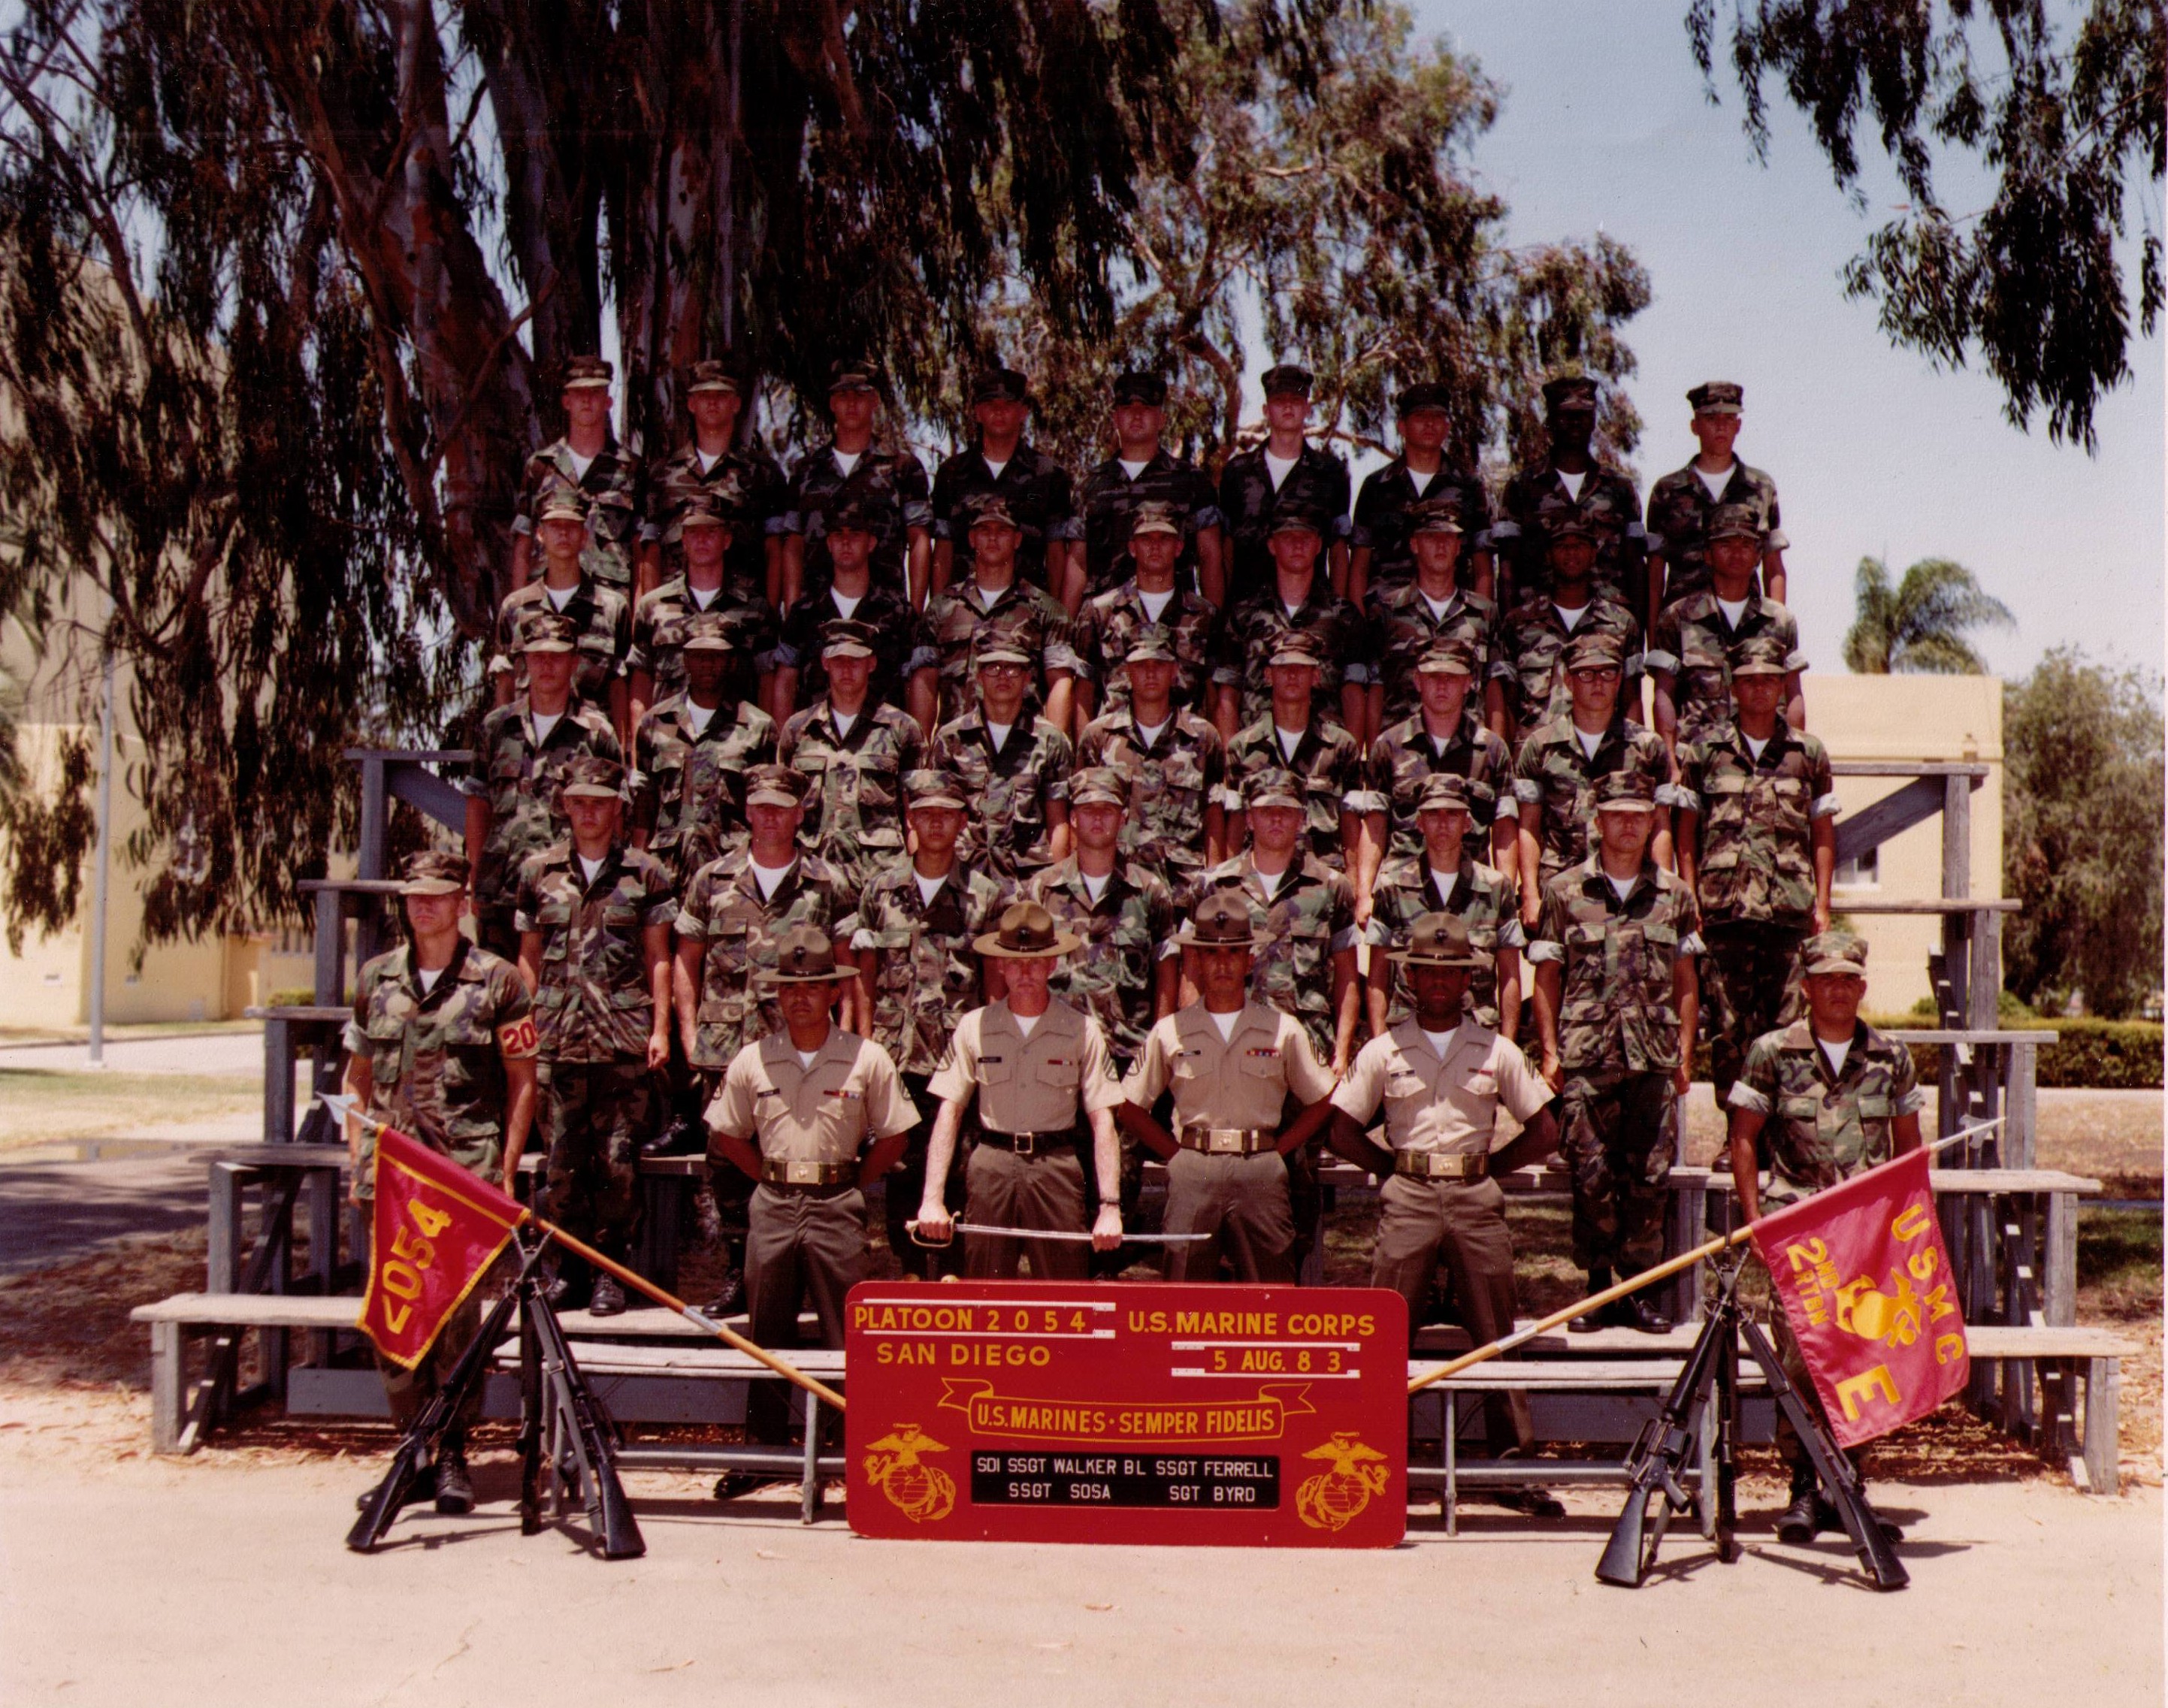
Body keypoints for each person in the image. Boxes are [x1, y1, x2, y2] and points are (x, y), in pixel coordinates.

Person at [1327, 911, 1562, 1511]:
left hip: (1474, 1196)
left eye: (1450, 971)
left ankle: (1513, 1470)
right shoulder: (1383, 1050)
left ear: (1466, 979)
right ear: (1408, 977)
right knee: (1387, 1332)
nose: (1437, 980)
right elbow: (1339, 1129)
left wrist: (1491, 1167)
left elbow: (1544, 1129)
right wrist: (1390, 1170)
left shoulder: (1495, 1049)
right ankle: (1384, 1462)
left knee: (1495, 1330)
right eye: (1426, 970)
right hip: (1407, 1195)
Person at [340, 851, 538, 1516]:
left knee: (455, 1319)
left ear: (462, 903)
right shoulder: (376, 977)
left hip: (461, 1176)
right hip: (391, 1175)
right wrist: (357, 1160)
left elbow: (522, 1081)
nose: (423, 905)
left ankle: (451, 1448)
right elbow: (356, 1078)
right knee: (393, 1312)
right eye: (413, 895)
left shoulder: (499, 980)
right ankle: (411, 1450)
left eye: (437, 894)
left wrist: (505, 1171)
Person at [1725, 930, 1925, 1543]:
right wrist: (1755, 1220)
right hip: (1799, 1235)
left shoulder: (1891, 1056)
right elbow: (1743, 1138)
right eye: (1825, 979)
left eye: (1847, 979)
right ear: (1806, 987)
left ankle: (1849, 1484)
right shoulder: (1770, 1052)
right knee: (1802, 1358)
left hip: (1866, 1237)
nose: (1837, 989)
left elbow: (1907, 1147)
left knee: (1863, 1358)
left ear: (1861, 987)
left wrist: (1906, 1230)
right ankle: (1803, 1489)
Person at [706, 926, 918, 1483]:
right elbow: (728, 1133)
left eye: (813, 986)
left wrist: (852, 1181)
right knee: (767, 1331)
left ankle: (850, 1452)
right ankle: (763, 1456)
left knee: (844, 1333)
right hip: (773, 1204)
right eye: (789, 987)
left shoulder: (865, 1058)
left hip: (837, 1203)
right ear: (777, 995)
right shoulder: (753, 1059)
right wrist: (767, 1178)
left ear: (834, 992)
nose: (800, 997)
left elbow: (895, 1135)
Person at [673, 763, 856, 1315]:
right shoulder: (712, 879)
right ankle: (741, 1271)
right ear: (747, 812)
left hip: (803, 1051)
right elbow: (687, 961)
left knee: (805, 1155)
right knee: (728, 1165)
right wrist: (690, 1034)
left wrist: (847, 1039)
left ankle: (805, 1272)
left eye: (782, 807)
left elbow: (847, 968)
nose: (770, 817)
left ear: (800, 813)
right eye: (761, 807)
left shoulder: (827, 883)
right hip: (727, 1048)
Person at [1528, 770, 1702, 1334]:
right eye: (1617, 815)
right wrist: (1549, 1051)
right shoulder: (1564, 891)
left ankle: (1638, 1289)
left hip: (1653, 1055)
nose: (1628, 824)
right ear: (1597, 821)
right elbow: (1547, 977)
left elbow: (1686, 979)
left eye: (1638, 815)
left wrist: (1684, 1053)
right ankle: (1599, 1287)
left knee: (1649, 1178)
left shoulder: (1674, 894)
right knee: (1591, 1175)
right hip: (1587, 1055)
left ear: (1651, 822)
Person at [513, 755, 677, 1315]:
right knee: (561, 1163)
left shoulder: (645, 874)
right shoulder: (537, 873)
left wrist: (660, 1028)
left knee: (617, 1163)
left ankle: (612, 1271)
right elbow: (528, 958)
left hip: (621, 1039)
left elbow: (658, 956)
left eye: (600, 803)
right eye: (579, 802)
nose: (588, 812)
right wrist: (529, 1026)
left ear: (617, 808)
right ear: (565, 806)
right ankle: (568, 1269)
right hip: (556, 1038)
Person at [1117, 893, 1341, 1283]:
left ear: (1249, 960)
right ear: (1197, 960)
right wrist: (1177, 1157)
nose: (1223, 964)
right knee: (1184, 1291)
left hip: (1261, 1169)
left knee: (1270, 1290)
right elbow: (1130, 1108)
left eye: (1234, 953)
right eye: (1212, 953)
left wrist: (1279, 1150)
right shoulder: (1171, 1031)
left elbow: (1323, 1100)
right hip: (1194, 1169)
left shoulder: (1281, 1028)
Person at [851, 769, 1009, 1278]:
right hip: (896, 1055)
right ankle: (910, 1271)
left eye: (946, 814)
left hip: (956, 1058)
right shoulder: (880, 890)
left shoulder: (985, 895)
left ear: (963, 822)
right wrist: (863, 1045)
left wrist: (992, 1050)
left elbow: (993, 982)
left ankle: (952, 1272)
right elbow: (865, 976)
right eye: (925, 814)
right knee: (902, 1164)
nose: (936, 823)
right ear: (909, 820)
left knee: (959, 1166)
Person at [914, 902, 1126, 1277]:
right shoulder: (974, 1027)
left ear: (1052, 964)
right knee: (985, 1286)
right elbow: (950, 1113)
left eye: (1035, 962)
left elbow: (1103, 1121)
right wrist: (932, 1199)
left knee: (1064, 1287)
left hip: (1055, 1167)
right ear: (1000, 965)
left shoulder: (1081, 1029)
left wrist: (1110, 1206)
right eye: (1015, 963)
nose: (1025, 972)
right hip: (992, 1166)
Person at [1025, 768, 1181, 1273]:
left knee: (1121, 1178)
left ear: (1121, 818)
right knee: (1061, 1173)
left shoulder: (1148, 890)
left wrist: (1159, 1040)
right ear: (1071, 818)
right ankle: (1066, 1277)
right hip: (1056, 1056)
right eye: (1087, 810)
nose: (1097, 819)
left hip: (1125, 1057)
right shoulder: (1042, 888)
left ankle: (1106, 1277)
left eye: (1107, 810)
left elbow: (1165, 971)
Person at [1676, 635, 1837, 1105]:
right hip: (1724, 915)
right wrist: (1690, 898)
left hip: (1788, 916)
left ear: (1783, 686)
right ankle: (1737, 1134)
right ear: (1733, 687)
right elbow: (1686, 833)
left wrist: (1823, 905)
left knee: (1789, 1031)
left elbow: (1822, 832)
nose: (1761, 688)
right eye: (1750, 680)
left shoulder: (1807, 753)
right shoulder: (1705, 752)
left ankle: (1785, 1132)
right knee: (1729, 1033)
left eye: (1770, 680)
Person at [463, 612, 624, 960]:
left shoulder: (597, 733)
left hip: (568, 889)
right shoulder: (496, 728)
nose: (547, 665)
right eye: (537, 657)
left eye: (557, 656)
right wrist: (475, 876)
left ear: (574, 662)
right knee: (501, 985)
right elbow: (478, 806)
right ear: (524, 663)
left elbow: (615, 815)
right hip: (502, 890)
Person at [1196, 768, 1362, 1079]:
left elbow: (1347, 977)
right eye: (1265, 811)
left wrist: (1342, 1052)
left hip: (1308, 1052)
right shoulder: (1215, 886)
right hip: (1231, 1048)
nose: (1276, 820)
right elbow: (1193, 972)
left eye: (1286, 812)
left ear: (1301, 819)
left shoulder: (1331, 887)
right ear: (1249, 819)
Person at [1511, 630, 1674, 928]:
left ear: (1619, 680)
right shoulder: (1540, 746)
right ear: (1569, 681)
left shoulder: (1647, 747)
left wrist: (1665, 894)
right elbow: (1528, 827)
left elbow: (1660, 825)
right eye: (1586, 674)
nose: (1598, 683)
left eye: (1608, 673)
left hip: (1629, 895)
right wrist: (1530, 895)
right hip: (1560, 894)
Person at [1074, 630, 1228, 911]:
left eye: (1159, 665)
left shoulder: (1202, 737)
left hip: (1183, 891)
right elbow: (1081, 809)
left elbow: (1213, 811)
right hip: (1120, 892)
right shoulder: (1099, 736)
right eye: (1141, 666)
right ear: (1128, 672)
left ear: (1174, 671)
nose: (1151, 673)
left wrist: (1213, 880)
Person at [1365, 772, 1523, 1038]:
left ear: (1467, 823)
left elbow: (1510, 974)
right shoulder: (1393, 888)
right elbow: (1378, 975)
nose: (1442, 824)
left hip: (1477, 1036)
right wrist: (1381, 1043)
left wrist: (1507, 1046)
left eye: (1452, 815)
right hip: (1407, 1034)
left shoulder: (1497, 888)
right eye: (1432, 815)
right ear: (1419, 823)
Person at [629, 613, 778, 893]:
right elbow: (645, 805)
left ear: (731, 662)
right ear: (685, 661)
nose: (707, 664)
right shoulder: (655, 723)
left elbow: (766, 809)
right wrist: (639, 863)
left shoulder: (758, 727)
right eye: (699, 656)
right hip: (668, 872)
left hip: (733, 876)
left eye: (716, 656)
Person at [1647, 503, 1808, 762]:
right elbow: (1664, 694)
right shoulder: (1678, 617)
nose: (1736, 553)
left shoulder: (1780, 620)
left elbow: (1793, 694)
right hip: (1698, 764)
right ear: (1708, 555)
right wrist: (1670, 763)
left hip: (1765, 763)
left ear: (1757, 556)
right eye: (1725, 545)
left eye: (1745, 545)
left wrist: (1793, 760)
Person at [776, 619, 926, 895]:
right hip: (814, 879)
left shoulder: (902, 729)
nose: (846, 669)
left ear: (871, 663)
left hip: (880, 878)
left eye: (855, 661)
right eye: (838, 660)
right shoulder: (798, 730)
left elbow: (914, 816)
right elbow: (784, 810)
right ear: (825, 663)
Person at [1362, 639, 1516, 892]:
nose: (1442, 686)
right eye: (1433, 677)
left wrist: (1505, 893)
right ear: (1418, 681)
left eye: (1452, 678)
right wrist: (1364, 894)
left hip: (1471, 893)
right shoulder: (1389, 745)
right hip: (1403, 892)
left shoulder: (1492, 749)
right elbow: (1374, 825)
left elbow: (1504, 829)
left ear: (1468, 683)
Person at [773, 498, 936, 733]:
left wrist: (918, 743)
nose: (846, 542)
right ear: (829, 543)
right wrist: (784, 743)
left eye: (856, 534)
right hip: (816, 743)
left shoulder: (899, 614)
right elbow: (785, 683)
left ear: (871, 543)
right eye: (838, 534)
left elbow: (918, 683)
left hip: (882, 743)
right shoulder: (805, 613)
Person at [920, 493, 1081, 731]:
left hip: (1023, 747)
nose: (993, 538)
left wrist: (1054, 746)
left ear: (1017, 539)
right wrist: (923, 745)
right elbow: (925, 681)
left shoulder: (1046, 611)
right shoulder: (942, 608)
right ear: (972, 538)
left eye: (1003, 530)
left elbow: (1060, 683)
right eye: (984, 530)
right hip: (957, 747)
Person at [1494, 373, 1646, 624]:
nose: (1575, 423)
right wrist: (1508, 633)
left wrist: (1636, 635)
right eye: (1566, 416)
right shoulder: (1521, 488)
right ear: (1550, 422)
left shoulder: (1619, 489)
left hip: (1608, 625)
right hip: (1538, 628)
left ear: (1594, 421)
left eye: (1583, 415)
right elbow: (1508, 568)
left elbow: (1636, 567)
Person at [782, 357, 933, 608]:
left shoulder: (902, 468)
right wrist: (792, 612)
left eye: (860, 396)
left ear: (874, 401)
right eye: (843, 396)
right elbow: (793, 547)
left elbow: (919, 540)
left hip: (885, 612)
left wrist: (915, 613)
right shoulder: (807, 471)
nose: (851, 404)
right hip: (817, 612)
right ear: (832, 403)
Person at [1222, 639, 1376, 881]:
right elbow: (1235, 821)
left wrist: (1354, 883)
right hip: (1258, 878)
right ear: (1268, 675)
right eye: (1284, 668)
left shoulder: (1340, 746)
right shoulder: (1243, 747)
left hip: (1322, 880)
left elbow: (1350, 821)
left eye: (1301, 668)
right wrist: (1230, 880)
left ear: (1316, 676)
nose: (1292, 675)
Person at [929, 366, 1082, 606]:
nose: (999, 412)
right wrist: (937, 612)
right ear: (977, 413)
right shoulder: (953, 473)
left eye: (1008, 404)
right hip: (962, 610)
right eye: (991, 404)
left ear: (1023, 412)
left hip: (1028, 612)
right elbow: (943, 550)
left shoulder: (1048, 476)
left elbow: (1056, 554)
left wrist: (1057, 615)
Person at [1211, 507, 1368, 739]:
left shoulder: (1343, 617)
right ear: (1272, 546)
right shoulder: (1244, 615)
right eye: (1288, 537)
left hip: (1322, 751)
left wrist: (1349, 756)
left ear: (1318, 545)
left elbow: (1353, 697)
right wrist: (1231, 757)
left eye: (1306, 537)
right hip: (1258, 751)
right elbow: (1228, 698)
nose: (1298, 545)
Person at [644, 357, 788, 610]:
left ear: (736, 404)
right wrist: (651, 614)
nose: (712, 402)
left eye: (721, 395)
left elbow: (774, 550)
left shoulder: (762, 472)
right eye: (704, 395)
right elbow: (651, 552)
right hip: (675, 612)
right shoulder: (662, 474)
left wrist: (770, 615)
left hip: (740, 613)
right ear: (691, 403)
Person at [1488, 516, 1643, 747]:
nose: (1571, 553)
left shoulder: (1620, 622)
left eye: (1579, 545)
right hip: (1536, 756)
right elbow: (1508, 703)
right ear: (1548, 556)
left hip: (1602, 756)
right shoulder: (1519, 623)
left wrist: (1635, 754)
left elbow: (1631, 701)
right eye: (1562, 546)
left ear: (1593, 554)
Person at [627, 494, 778, 730]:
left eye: (711, 532)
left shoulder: (754, 610)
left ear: (726, 540)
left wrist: (765, 739)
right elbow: (641, 683)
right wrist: (639, 742)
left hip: (734, 740)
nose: (702, 540)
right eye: (694, 532)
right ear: (683, 540)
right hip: (668, 739)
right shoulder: (653, 606)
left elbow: (766, 683)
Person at [929, 641, 1074, 886]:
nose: (1003, 676)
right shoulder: (952, 738)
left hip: (1027, 880)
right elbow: (938, 816)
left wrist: (1055, 887)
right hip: (966, 879)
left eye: (1012, 668)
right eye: (993, 668)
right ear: (979, 676)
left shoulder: (1050, 740)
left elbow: (1058, 823)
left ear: (1027, 678)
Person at [1075, 368, 1225, 605]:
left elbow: (1210, 558)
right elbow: (1077, 564)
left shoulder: (1191, 481)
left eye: (1146, 409)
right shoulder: (1090, 485)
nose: (1136, 416)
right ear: (1115, 418)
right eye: (1127, 408)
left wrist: (1214, 621)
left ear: (1162, 420)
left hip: (1172, 620)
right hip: (1104, 620)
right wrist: (1067, 625)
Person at [1644, 380, 1788, 618]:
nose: (1721, 427)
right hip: (1683, 627)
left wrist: (1777, 629)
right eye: (1711, 418)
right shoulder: (1668, 491)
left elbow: (1773, 567)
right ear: (1695, 426)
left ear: (1738, 425)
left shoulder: (1761, 487)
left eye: (1729, 418)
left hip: (1745, 626)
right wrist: (1654, 637)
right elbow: (1655, 574)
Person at [491, 491, 632, 731]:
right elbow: (505, 683)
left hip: (591, 745)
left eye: (571, 526)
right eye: (555, 526)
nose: (564, 533)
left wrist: (623, 750)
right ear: (540, 534)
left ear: (584, 536)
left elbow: (619, 687)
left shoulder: (612, 608)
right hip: (529, 742)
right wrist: (503, 739)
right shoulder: (516, 607)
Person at [512, 354, 647, 599]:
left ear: (608, 401)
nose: (586, 400)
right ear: (566, 401)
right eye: (578, 393)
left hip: (610, 604)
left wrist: (639, 616)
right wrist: (518, 611)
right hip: (549, 606)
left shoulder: (631, 469)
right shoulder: (540, 467)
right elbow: (523, 545)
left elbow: (641, 550)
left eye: (595, 392)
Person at [1217, 363, 1352, 606]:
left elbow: (1339, 551)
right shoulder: (1237, 472)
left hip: (1310, 613)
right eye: (1279, 400)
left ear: (1307, 409)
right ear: (1266, 410)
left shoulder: (1330, 473)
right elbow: (1226, 548)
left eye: (1296, 400)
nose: (1288, 406)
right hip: (1246, 613)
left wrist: (1339, 613)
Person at [1347, 381, 1492, 606]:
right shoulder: (1377, 486)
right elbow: (1359, 566)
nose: (1429, 424)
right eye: (1420, 416)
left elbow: (1483, 567)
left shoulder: (1468, 487)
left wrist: (1480, 619)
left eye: (1437, 417)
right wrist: (1359, 621)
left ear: (1447, 427)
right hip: (1388, 615)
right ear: (1402, 427)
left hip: (1450, 615)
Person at [1075, 501, 1220, 723]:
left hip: (1183, 741)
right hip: (1117, 740)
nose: (1155, 546)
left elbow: (1214, 696)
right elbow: (1084, 693)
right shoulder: (1101, 612)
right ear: (1133, 548)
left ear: (1178, 547)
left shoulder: (1204, 615)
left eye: (1164, 539)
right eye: (1146, 539)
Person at [1367, 494, 1497, 740]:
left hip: (1468, 748)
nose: (1440, 545)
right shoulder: (1386, 611)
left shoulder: (1483, 612)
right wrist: (1376, 754)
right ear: (1415, 544)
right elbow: (1375, 688)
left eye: (1448, 537)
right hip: (1403, 751)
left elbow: (1493, 688)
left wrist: (1493, 751)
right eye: (1431, 537)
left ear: (1458, 546)